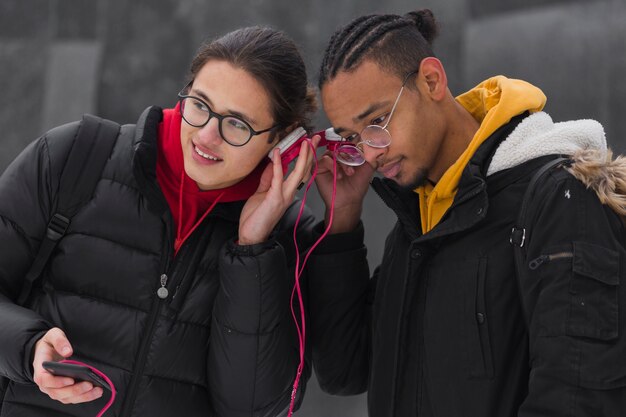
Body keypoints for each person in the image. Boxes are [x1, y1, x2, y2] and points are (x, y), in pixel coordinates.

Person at [307, 8, 626, 417]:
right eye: (353, 137)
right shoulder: (420, 222)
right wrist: (342, 220)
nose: (370, 151)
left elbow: (581, 399)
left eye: (377, 120)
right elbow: (345, 372)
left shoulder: (562, 198)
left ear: (431, 80)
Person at [0, 26, 319, 417]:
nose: (206, 135)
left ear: (282, 140)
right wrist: (27, 348)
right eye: (200, 104)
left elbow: (254, 407)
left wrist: (251, 250)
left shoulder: (288, 243)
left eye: (237, 124)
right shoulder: (74, 158)